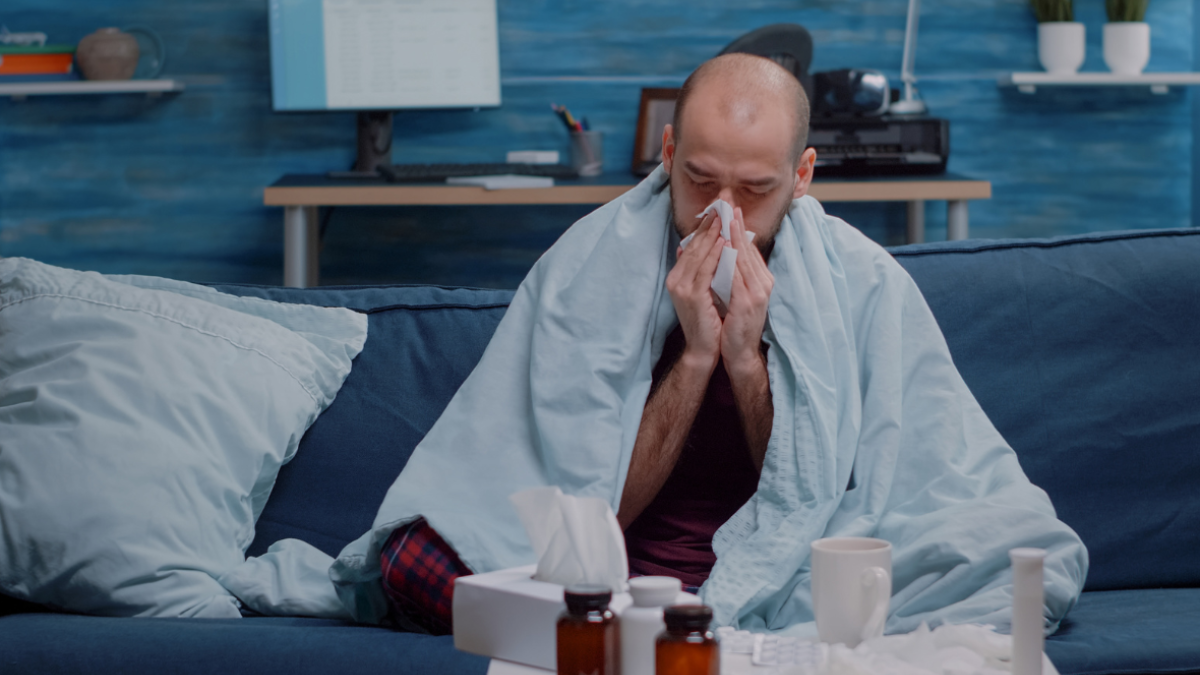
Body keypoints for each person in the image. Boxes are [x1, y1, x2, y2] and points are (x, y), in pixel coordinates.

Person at [335, 53, 1087, 636]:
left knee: (1003, 568)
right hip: (611, 572)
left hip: (780, 567)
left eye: (756, 190)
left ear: (802, 175)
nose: (724, 215)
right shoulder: (586, 262)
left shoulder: (864, 281)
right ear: (667, 151)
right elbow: (588, 507)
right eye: (699, 180)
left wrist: (744, 360)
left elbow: (819, 501)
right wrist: (695, 357)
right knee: (413, 559)